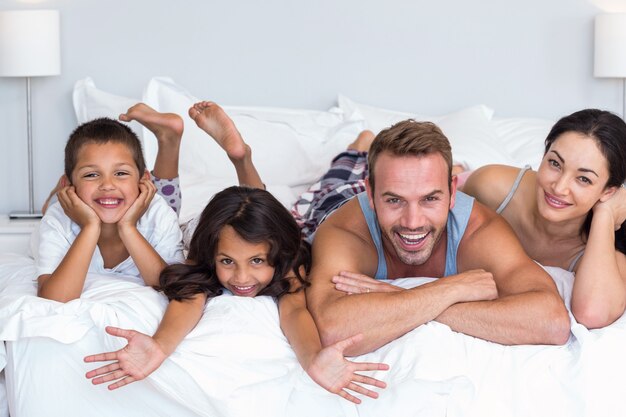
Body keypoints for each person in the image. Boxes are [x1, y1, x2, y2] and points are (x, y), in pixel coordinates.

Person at [82, 104, 389, 405]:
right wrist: (159, 346)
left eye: (257, 262)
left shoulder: (288, 257)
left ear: (275, 256)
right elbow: (189, 296)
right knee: (256, 212)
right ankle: (248, 158)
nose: (241, 279)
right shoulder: (212, 247)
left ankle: (359, 144)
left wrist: (312, 358)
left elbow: (295, 311)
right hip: (280, 223)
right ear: (213, 254)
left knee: (335, 185)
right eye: (227, 262)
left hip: (322, 218)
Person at [304, 119, 571, 357]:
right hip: (336, 200)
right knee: (334, 182)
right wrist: (450, 290)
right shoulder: (345, 230)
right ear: (372, 194)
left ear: (452, 192)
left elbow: (552, 322)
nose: (413, 222)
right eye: (394, 200)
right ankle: (359, 146)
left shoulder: (479, 230)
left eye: (430, 198)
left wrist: (408, 298)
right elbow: (332, 330)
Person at [461, 109, 626, 329]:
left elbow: (592, 313)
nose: (559, 188)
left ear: (608, 191)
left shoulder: (605, 244)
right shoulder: (492, 188)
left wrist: (605, 214)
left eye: (584, 179)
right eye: (555, 164)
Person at [36, 118, 184, 302]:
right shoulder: (56, 219)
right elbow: (55, 297)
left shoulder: (159, 215)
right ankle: (56, 193)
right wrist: (90, 227)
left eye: (121, 173)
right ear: (70, 184)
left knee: (168, 204)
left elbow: (170, 288)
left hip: (135, 204)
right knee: (50, 207)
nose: (107, 185)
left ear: (143, 180)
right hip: (67, 206)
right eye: (91, 175)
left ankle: (168, 141)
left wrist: (127, 227)